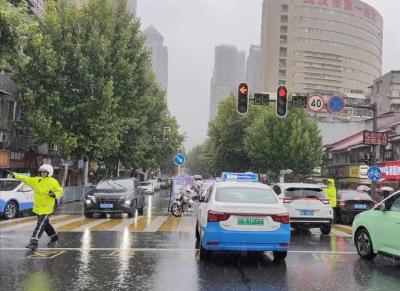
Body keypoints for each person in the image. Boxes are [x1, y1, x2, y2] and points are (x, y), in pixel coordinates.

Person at [11, 164, 63, 250]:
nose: (42, 173)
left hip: (47, 207)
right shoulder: (37, 180)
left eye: (44, 172)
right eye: (41, 172)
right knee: (45, 224)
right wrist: (16, 175)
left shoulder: (53, 181)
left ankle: (33, 242)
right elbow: (26, 179)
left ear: (49, 173)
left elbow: (60, 191)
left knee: (40, 225)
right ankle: (54, 236)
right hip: (38, 207)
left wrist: (54, 194)